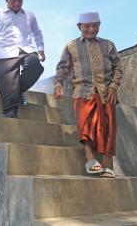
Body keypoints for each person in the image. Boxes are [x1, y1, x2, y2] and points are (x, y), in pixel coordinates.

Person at [53, 12, 122, 178]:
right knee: (85, 127)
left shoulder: (109, 45)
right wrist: (58, 84)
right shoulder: (71, 46)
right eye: (87, 26)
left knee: (108, 129)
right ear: (79, 27)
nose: (91, 29)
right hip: (82, 92)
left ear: (99, 25)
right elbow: (63, 67)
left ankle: (108, 165)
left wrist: (113, 87)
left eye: (95, 26)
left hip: (106, 93)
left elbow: (118, 67)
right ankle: (90, 159)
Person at [0, 0, 45, 118]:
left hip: (26, 49)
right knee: (6, 79)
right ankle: (10, 114)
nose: (16, 3)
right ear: (6, 0)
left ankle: (14, 91)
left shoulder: (30, 15)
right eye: (13, 1)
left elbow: (37, 33)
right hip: (4, 51)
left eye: (19, 1)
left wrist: (41, 49)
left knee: (35, 66)